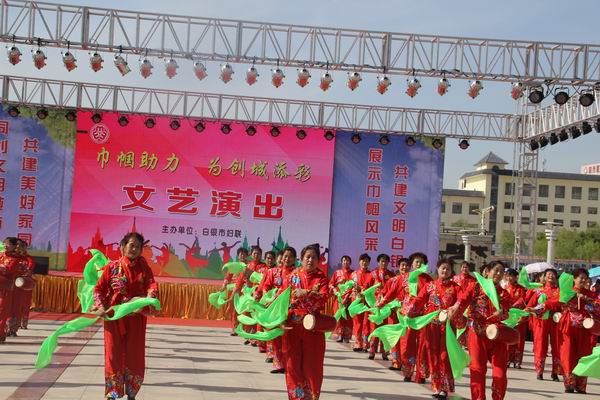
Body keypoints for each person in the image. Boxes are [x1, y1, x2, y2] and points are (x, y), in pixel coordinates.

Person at [92, 232, 159, 400]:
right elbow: (98, 289)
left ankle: (132, 392)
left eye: (138, 247)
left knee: (134, 354)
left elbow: (152, 286)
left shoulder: (144, 269)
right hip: (115, 317)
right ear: (122, 247)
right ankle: (113, 392)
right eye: (131, 245)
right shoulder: (112, 267)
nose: (134, 249)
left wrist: (148, 299)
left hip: (136, 318)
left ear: (141, 250)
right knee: (113, 353)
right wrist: (100, 306)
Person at [448, 261, 511, 400]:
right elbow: (463, 299)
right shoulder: (475, 287)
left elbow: (507, 313)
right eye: (496, 270)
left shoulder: (504, 293)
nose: (499, 274)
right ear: (487, 272)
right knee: (477, 369)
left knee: (500, 373)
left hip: (496, 334)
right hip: (476, 332)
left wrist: (502, 312)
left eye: (501, 271)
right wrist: (455, 307)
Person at [539, 268, 600, 394]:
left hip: (584, 329)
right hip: (567, 327)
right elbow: (552, 302)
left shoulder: (589, 294)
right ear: (574, 279)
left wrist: (587, 300)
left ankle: (581, 385)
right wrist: (538, 308)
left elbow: (598, 306)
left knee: (583, 355)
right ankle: (569, 384)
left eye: (585, 278)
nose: (583, 280)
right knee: (567, 355)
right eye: (581, 278)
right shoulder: (567, 292)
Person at [281, 244, 329, 400]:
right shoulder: (292, 276)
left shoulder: (322, 279)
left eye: (314, 257)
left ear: (318, 260)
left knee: (312, 366)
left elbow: (323, 298)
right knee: (292, 364)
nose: (310, 260)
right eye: (307, 257)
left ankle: (311, 396)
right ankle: (297, 397)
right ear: (301, 259)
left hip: (312, 328)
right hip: (293, 326)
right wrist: (281, 320)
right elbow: (282, 299)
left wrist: (306, 293)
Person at [408, 259, 462, 399]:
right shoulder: (429, 286)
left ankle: (444, 388)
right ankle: (436, 387)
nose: (445, 271)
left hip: (447, 327)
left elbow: (461, 302)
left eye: (448, 269)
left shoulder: (456, 288)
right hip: (431, 326)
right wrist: (410, 311)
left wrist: (455, 310)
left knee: (444, 356)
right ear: (438, 269)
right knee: (432, 355)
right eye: (443, 268)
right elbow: (419, 300)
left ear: (451, 271)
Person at [255, 247, 297, 373]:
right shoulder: (274, 271)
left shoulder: (297, 274)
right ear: (281, 258)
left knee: (287, 336)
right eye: (285, 256)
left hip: (290, 308)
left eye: (290, 256)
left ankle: (288, 363)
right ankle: (278, 363)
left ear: (294, 259)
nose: (287, 259)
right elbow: (266, 286)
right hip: (275, 307)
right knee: (275, 334)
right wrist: (267, 297)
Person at [526, 268, 561, 381]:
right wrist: (532, 311)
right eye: (548, 274)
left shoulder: (559, 291)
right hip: (540, 321)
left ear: (556, 277)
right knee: (540, 345)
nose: (550, 276)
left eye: (553, 274)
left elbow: (562, 305)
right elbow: (530, 305)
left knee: (557, 346)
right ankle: (539, 371)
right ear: (544, 277)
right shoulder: (538, 291)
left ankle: (555, 372)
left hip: (555, 321)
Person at [367, 253, 394, 360]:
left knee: (385, 328)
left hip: (387, 305)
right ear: (378, 262)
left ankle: (384, 352)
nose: (384, 263)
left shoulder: (392, 275)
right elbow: (366, 286)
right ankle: (372, 351)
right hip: (376, 304)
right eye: (382, 261)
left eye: (386, 261)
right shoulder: (373, 274)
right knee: (374, 327)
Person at [8, 239, 36, 335]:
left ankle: (13, 329)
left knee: (17, 307)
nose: (19, 248)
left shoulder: (28, 259)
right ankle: (5, 328)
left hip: (19, 285)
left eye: (21, 246)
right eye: (17, 245)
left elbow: (29, 269)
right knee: (6, 307)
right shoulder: (9, 256)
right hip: (8, 284)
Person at [504, 268, 527, 369]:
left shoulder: (521, 289)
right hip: (508, 317)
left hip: (518, 317)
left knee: (519, 338)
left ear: (515, 277)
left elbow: (523, 301)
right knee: (508, 337)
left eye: (511, 276)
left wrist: (514, 306)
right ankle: (507, 359)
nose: (509, 278)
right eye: (507, 276)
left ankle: (517, 361)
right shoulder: (504, 288)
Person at [350, 253, 374, 352]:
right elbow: (349, 287)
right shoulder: (354, 274)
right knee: (357, 322)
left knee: (366, 322)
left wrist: (364, 290)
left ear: (369, 263)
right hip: (356, 301)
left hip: (367, 302)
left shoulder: (371, 274)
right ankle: (358, 343)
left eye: (366, 261)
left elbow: (373, 288)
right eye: (362, 261)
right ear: (359, 262)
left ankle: (365, 344)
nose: (364, 263)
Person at [222, 247, 248, 336]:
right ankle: (235, 328)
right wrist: (224, 284)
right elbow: (227, 277)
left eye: (244, 254)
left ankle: (244, 328)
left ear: (247, 256)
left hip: (245, 291)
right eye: (241, 254)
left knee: (244, 310)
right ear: (238, 256)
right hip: (234, 291)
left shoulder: (249, 266)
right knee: (233, 310)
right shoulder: (234, 265)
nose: (242, 256)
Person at [329, 255, 354, 343]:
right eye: (344, 260)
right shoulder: (337, 273)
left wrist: (348, 296)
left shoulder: (353, 273)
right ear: (341, 262)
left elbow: (354, 286)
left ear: (350, 262)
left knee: (348, 317)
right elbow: (331, 284)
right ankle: (339, 335)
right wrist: (335, 290)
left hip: (349, 299)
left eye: (347, 261)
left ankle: (347, 336)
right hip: (339, 299)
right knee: (339, 316)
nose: (345, 262)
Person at [0, 237, 20, 343]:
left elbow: (8, 270)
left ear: (13, 246)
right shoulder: (0, 256)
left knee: (2, 311)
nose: (5, 245)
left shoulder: (15, 259)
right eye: (4, 243)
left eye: (8, 244)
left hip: (5, 288)